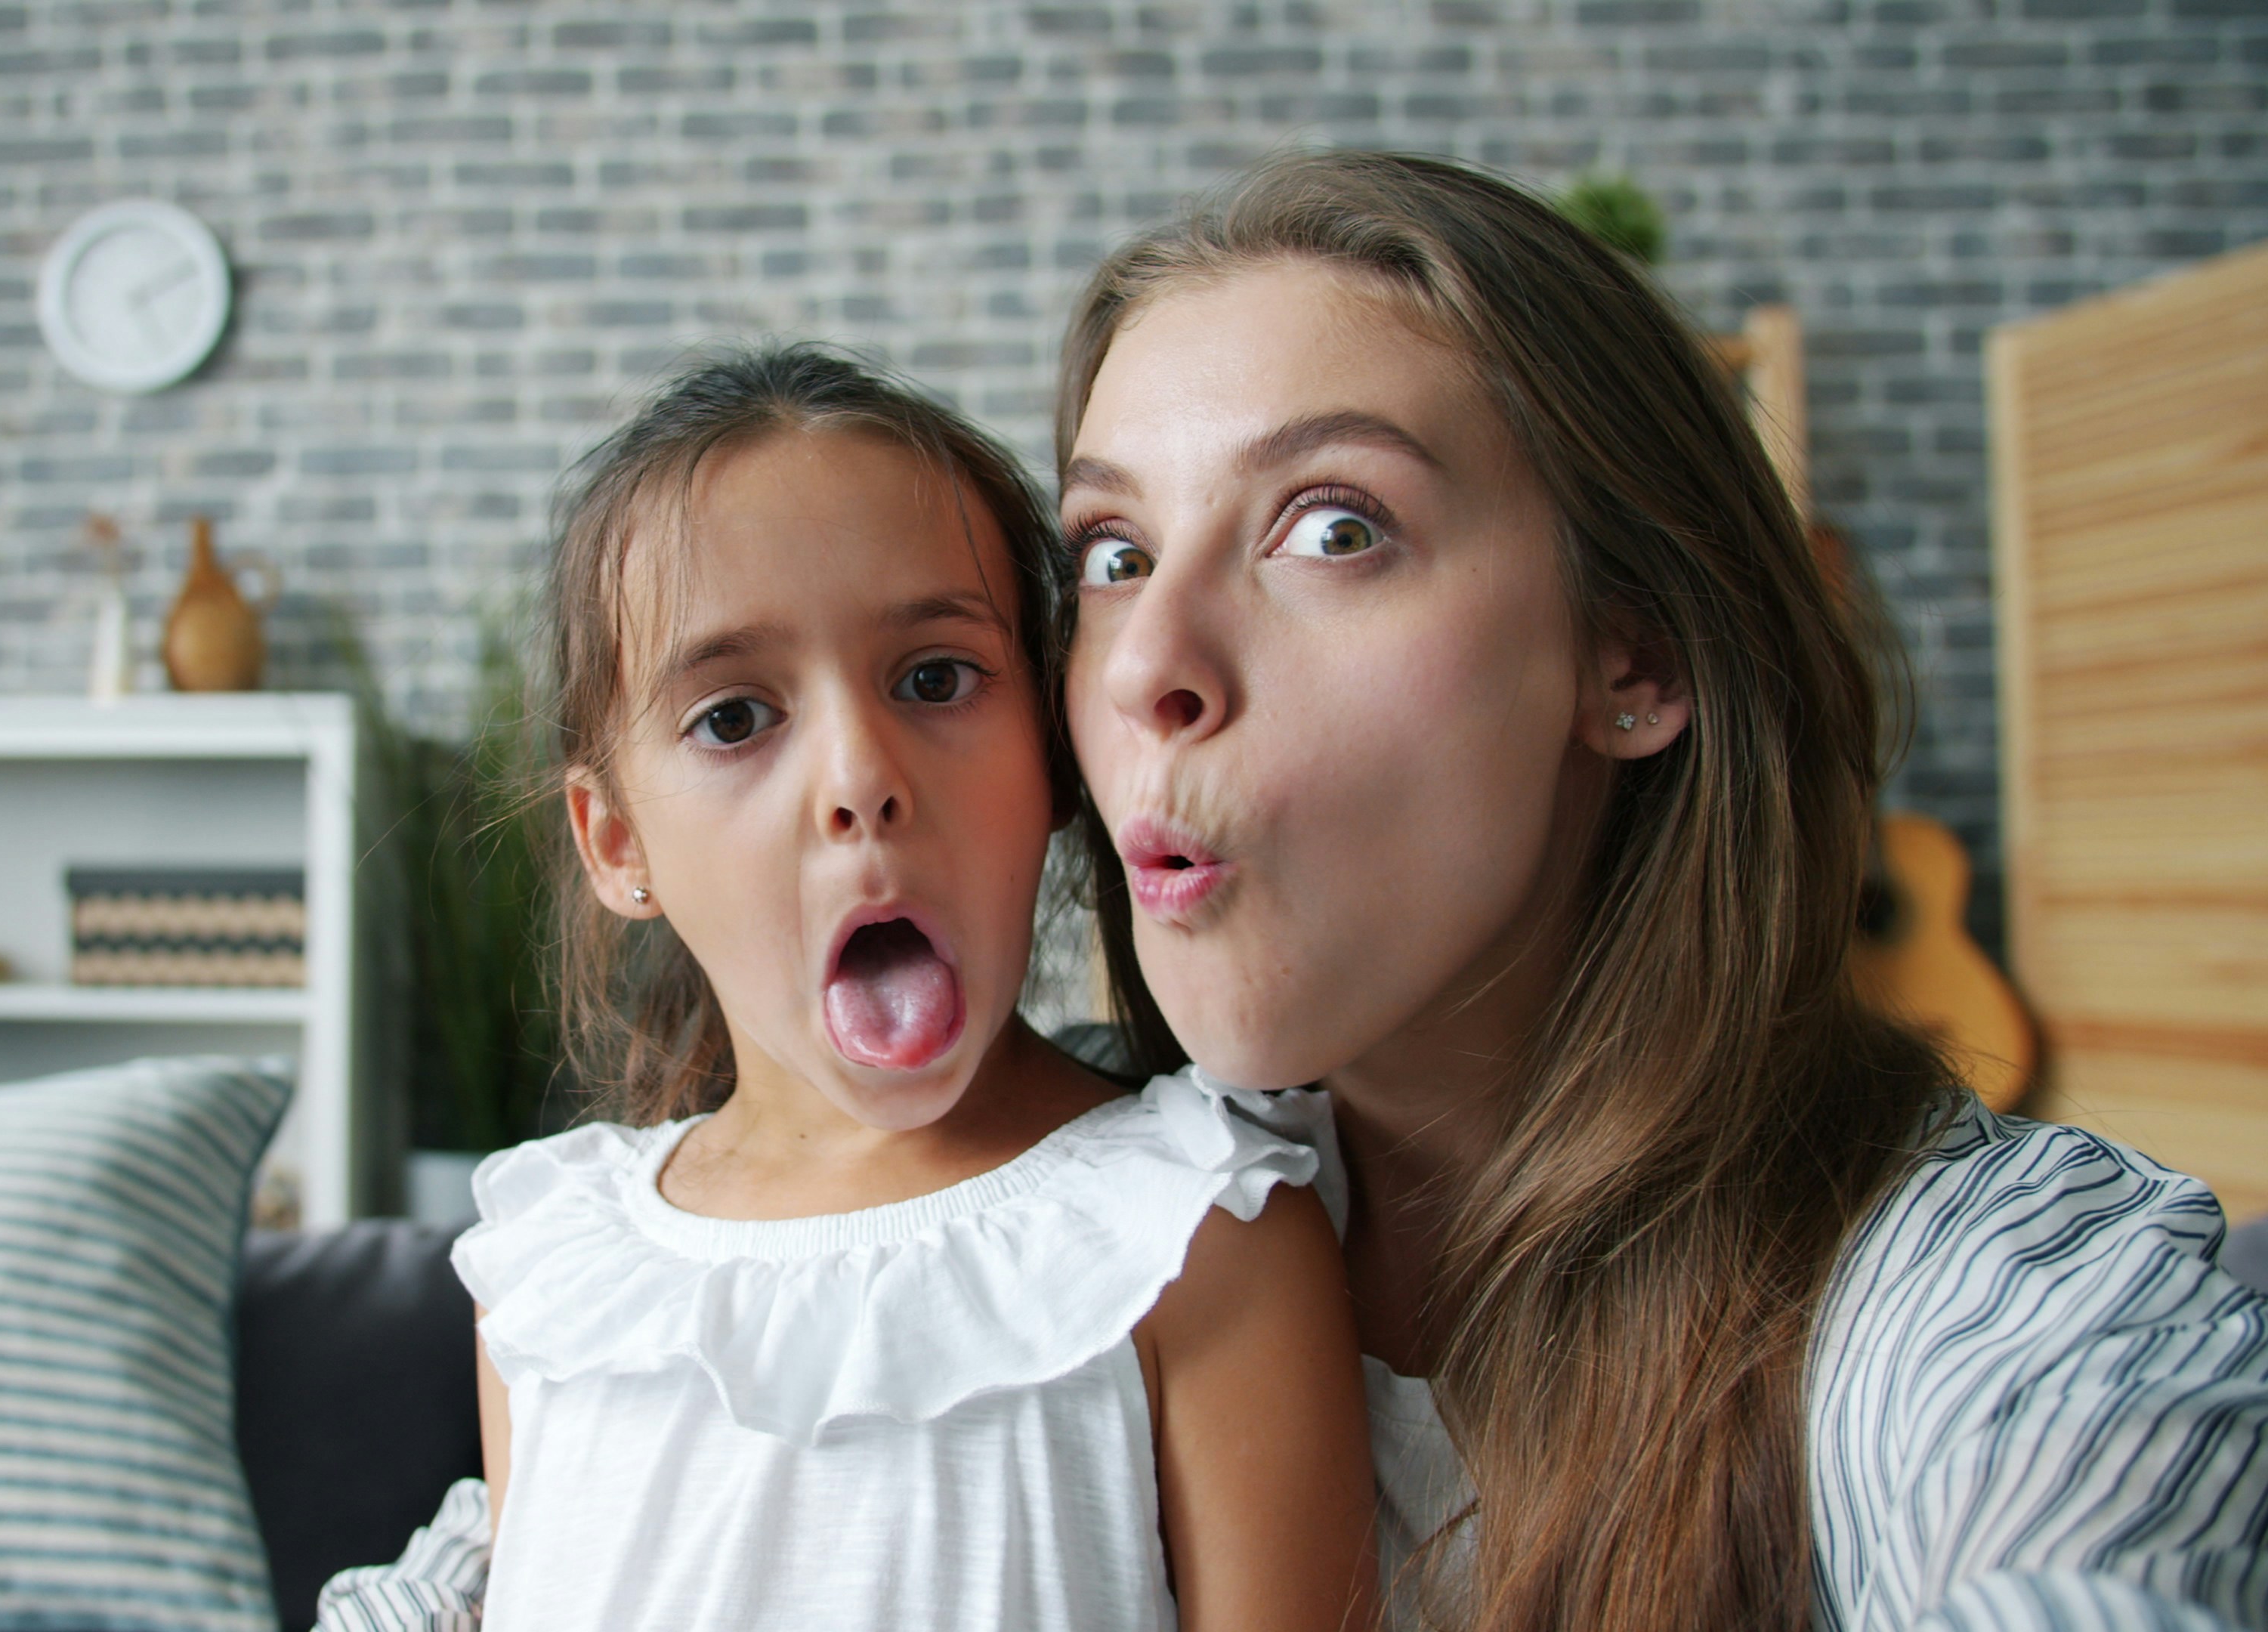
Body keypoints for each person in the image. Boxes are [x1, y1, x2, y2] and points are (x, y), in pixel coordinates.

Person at [1055, 148, 2268, 1630]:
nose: (1141, 665)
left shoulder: (1999, 1300)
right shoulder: (1036, 1222)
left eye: (1334, 528)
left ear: (1633, 661)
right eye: (1111, 552)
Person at [319, 342, 1378, 1632]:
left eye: (936, 679)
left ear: (1048, 755)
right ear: (617, 844)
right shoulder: (554, 1274)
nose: (859, 778)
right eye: (734, 718)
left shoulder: (1196, 1236)